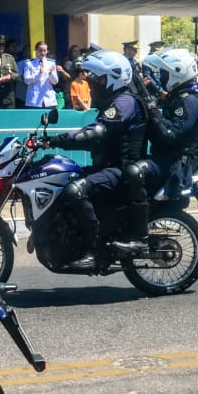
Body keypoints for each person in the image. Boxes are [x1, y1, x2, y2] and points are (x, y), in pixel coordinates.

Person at [53, 49, 149, 253]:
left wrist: (58, 139)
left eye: (98, 79)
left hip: (120, 169)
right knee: (61, 180)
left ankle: (93, 247)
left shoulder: (125, 102)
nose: (92, 83)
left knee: (74, 190)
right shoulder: (113, 102)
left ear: (112, 79)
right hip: (106, 167)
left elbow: (97, 133)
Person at [139, 49, 198, 204]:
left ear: (178, 73)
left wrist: (153, 109)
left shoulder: (188, 101)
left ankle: (139, 225)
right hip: (165, 160)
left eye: (164, 73)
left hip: (176, 166)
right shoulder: (176, 97)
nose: (161, 77)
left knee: (134, 171)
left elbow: (171, 133)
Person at [20, 40, 63, 109]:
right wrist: (39, 74)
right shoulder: (29, 63)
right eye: (40, 50)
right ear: (36, 51)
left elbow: (55, 82)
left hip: (48, 99)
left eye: (45, 51)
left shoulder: (51, 63)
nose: (43, 53)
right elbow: (27, 80)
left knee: (50, 119)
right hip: (34, 100)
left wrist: (50, 73)